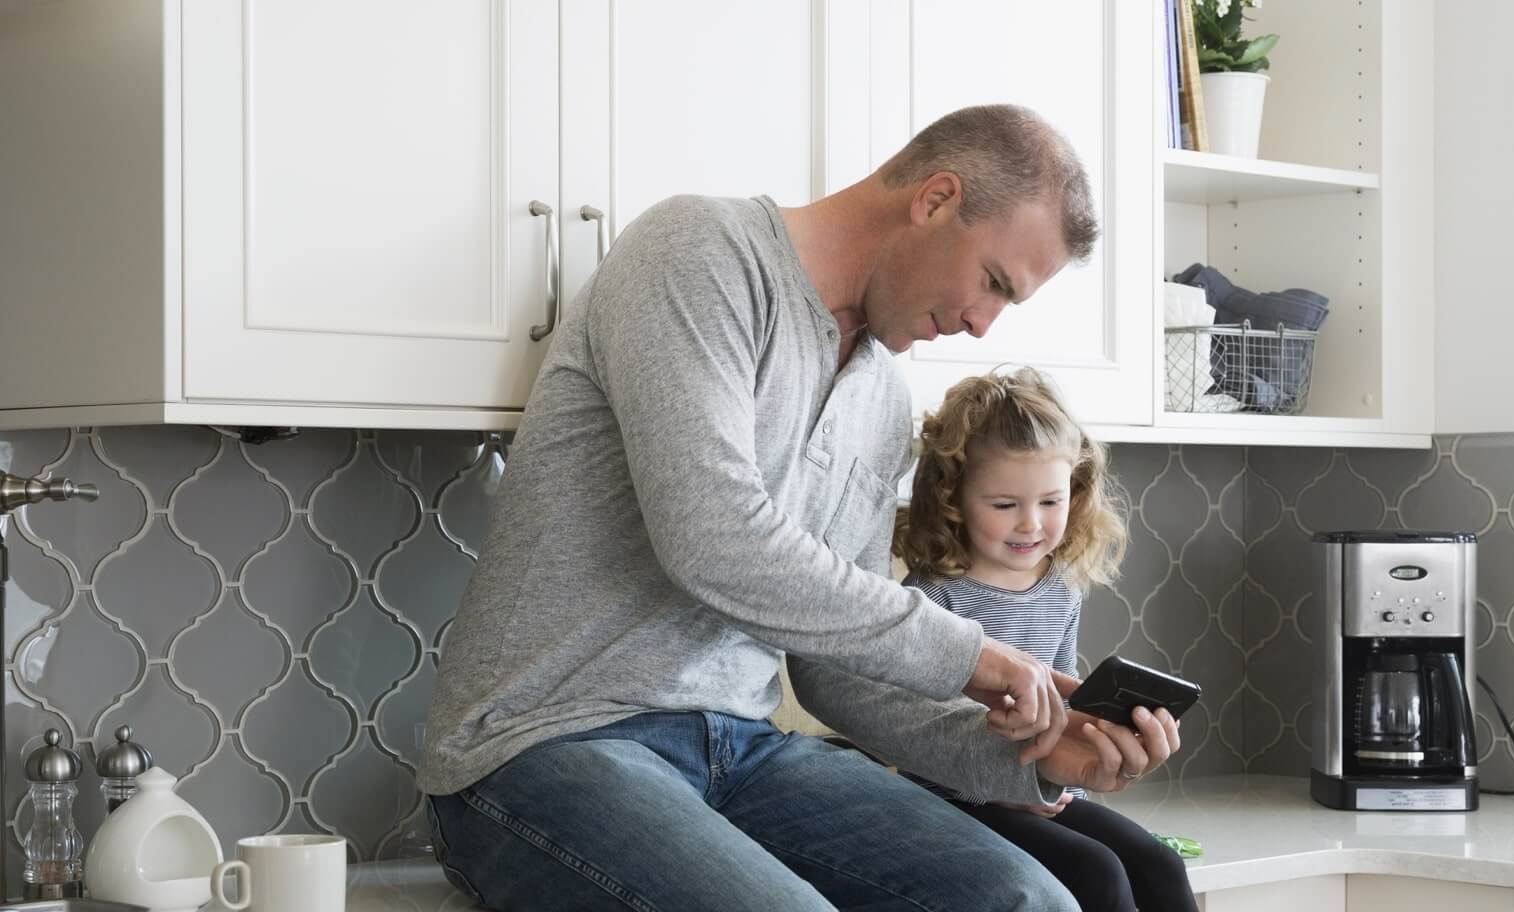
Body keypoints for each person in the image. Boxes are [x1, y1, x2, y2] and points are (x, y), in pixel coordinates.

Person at [416, 104, 1181, 911]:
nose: (980, 322)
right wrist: (980, 658)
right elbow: (713, 539)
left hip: (741, 753)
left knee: (1034, 902)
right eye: (993, 281)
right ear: (936, 199)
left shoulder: (882, 396)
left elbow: (838, 677)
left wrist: (1036, 757)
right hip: (542, 746)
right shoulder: (697, 255)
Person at [893, 367, 1197, 912]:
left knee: (1161, 863)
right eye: (1005, 505)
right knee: (1096, 870)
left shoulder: (1060, 592)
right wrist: (1022, 786)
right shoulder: (931, 598)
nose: (1030, 524)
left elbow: (1062, 705)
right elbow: (914, 733)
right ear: (954, 497)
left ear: (1074, 493)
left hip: (1046, 790)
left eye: (1051, 503)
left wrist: (1081, 760)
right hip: (958, 798)